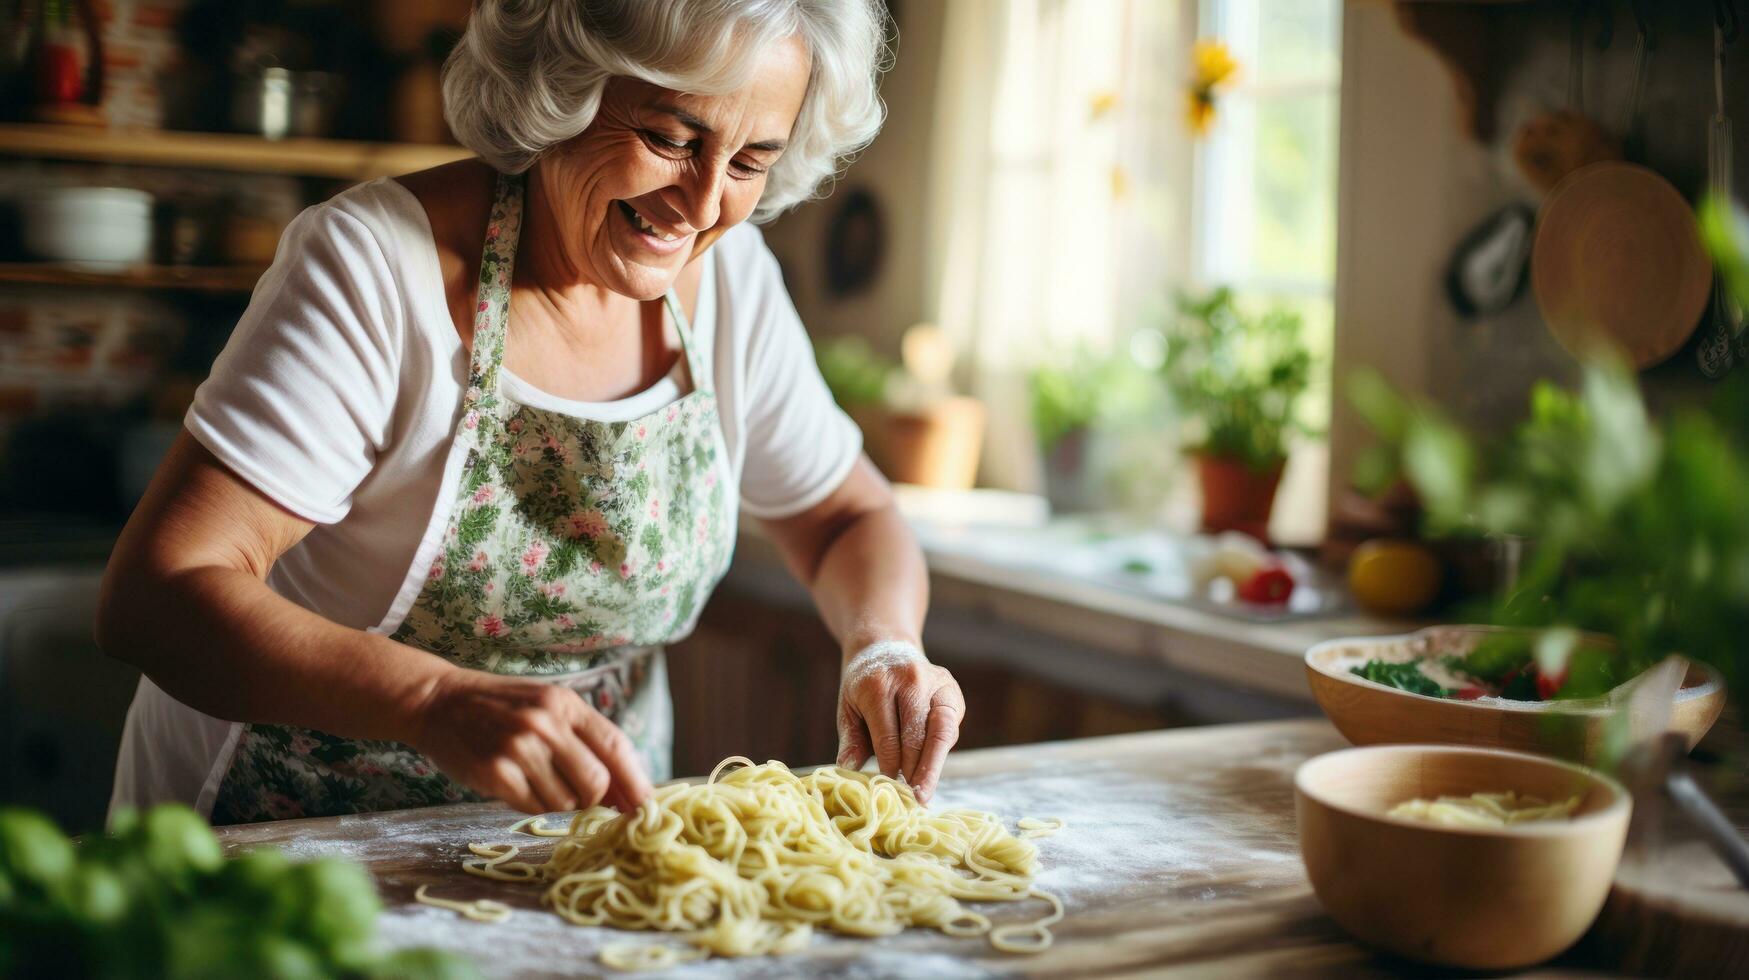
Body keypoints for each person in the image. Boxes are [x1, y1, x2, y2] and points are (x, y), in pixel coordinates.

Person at [98, 0, 964, 824]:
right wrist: (433, 699)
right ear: (564, 87)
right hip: (288, 843)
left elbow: (846, 513)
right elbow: (158, 594)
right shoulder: (375, 268)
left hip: (579, 852)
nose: (702, 208)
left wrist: (884, 644)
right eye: (669, 137)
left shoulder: (733, 286)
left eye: (747, 163)